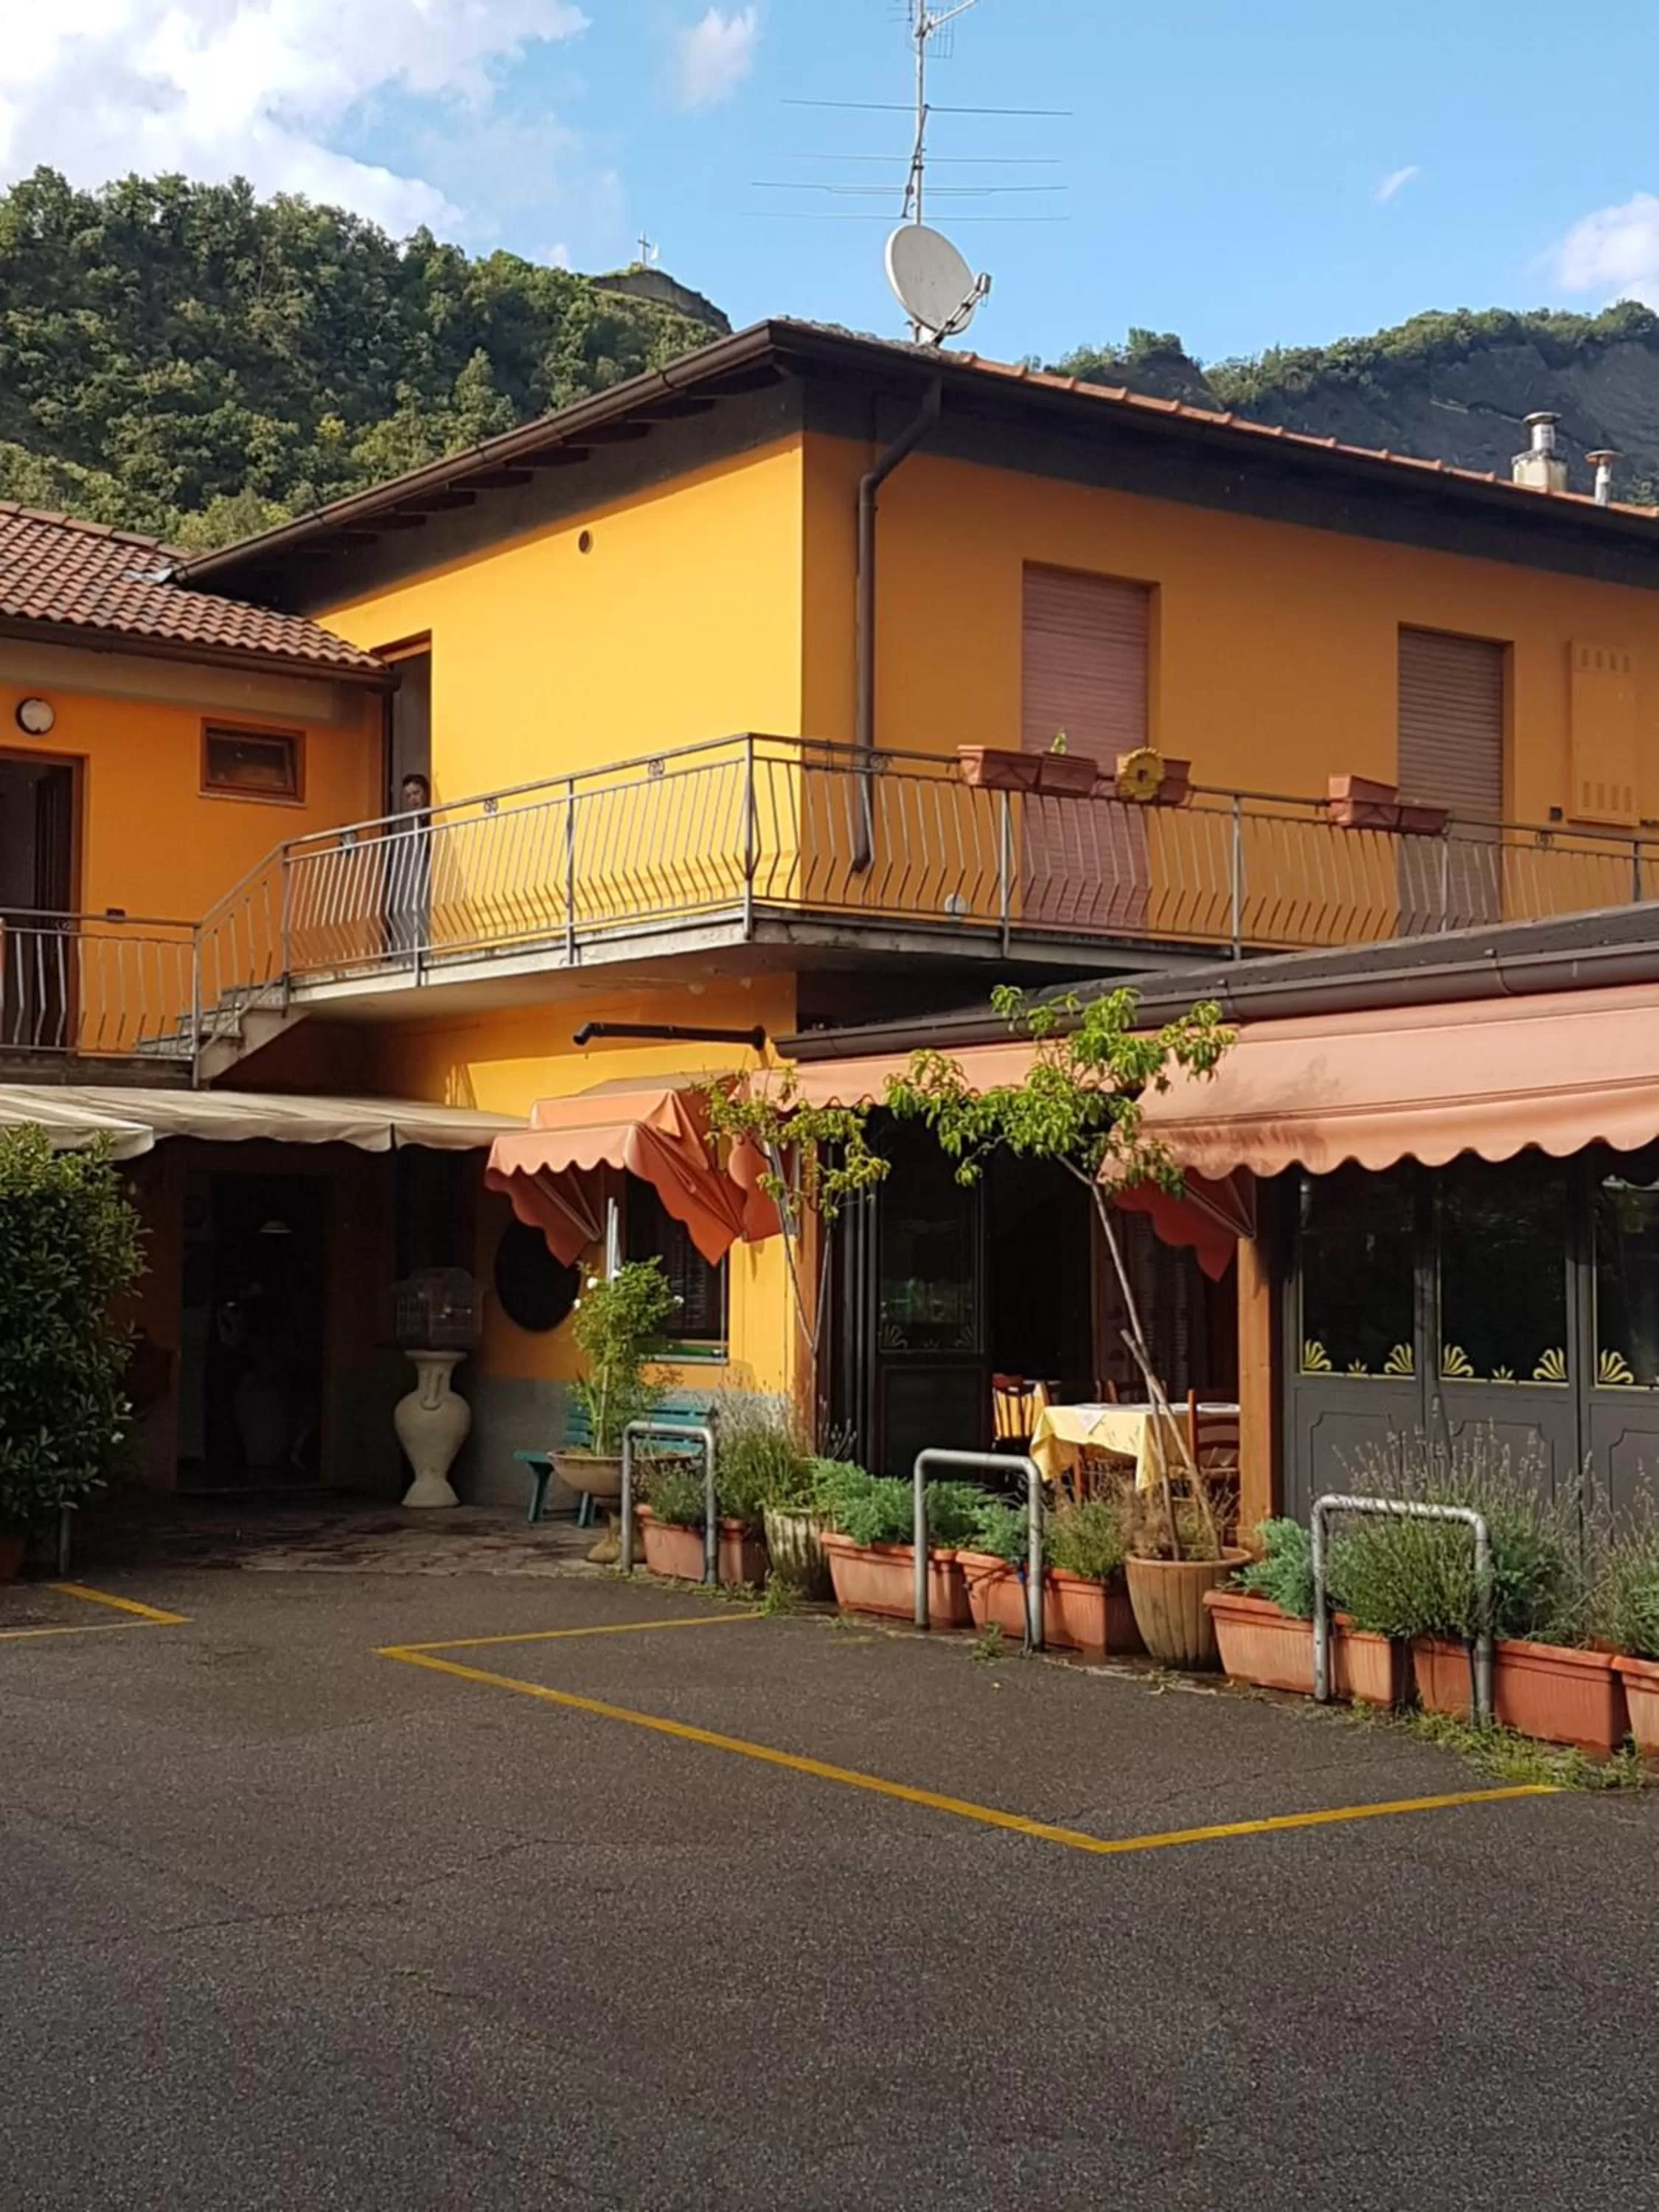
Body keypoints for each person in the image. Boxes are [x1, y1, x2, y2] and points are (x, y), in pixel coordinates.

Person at [389, 772, 432, 961]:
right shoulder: (416, 821)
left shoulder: (431, 816)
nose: (413, 799)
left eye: (416, 793)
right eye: (408, 796)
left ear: (426, 793)